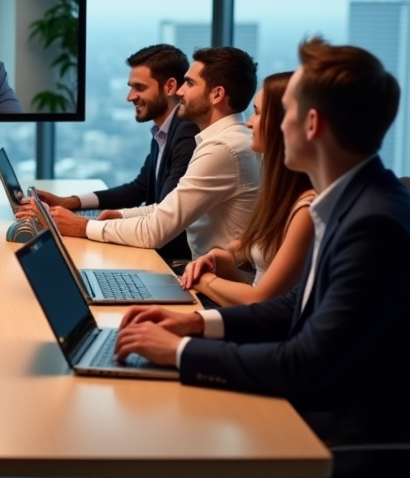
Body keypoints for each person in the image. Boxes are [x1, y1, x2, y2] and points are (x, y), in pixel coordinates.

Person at [98, 38, 410, 478]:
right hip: (321, 431)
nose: (258, 124)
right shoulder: (356, 201)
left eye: (275, 113)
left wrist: (178, 353)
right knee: (146, 461)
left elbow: (303, 363)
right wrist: (197, 326)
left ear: (311, 126)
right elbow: (295, 308)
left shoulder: (373, 226)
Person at [47, 46, 260, 259]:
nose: (180, 91)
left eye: (190, 83)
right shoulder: (224, 141)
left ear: (217, 95)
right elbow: (164, 205)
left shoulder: (222, 148)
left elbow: (156, 230)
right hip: (207, 269)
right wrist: (120, 215)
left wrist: (83, 226)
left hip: (209, 274)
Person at [21, 44, 198, 263]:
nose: (130, 97)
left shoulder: (187, 134)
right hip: (155, 251)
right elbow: (138, 189)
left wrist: (84, 226)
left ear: (170, 86)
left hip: (173, 261)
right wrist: (70, 202)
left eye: (140, 88)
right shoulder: (165, 131)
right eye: (131, 87)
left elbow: (164, 213)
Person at [177, 71, 316, 306]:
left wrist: (204, 280)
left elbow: (261, 299)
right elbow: (249, 247)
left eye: (258, 112)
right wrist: (219, 258)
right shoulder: (284, 193)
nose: (249, 122)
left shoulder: (307, 208)